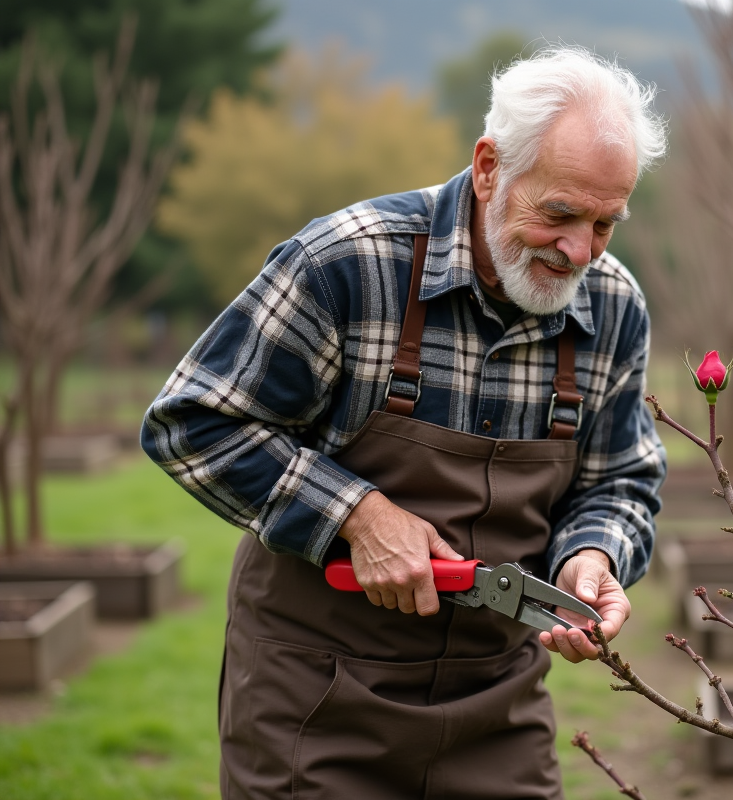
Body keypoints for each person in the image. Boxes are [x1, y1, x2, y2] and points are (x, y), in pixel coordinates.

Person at [141, 47, 667, 799]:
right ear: (489, 167)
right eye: (558, 214)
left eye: (605, 224)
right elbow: (193, 422)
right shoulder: (348, 265)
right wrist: (356, 515)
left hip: (498, 707)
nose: (579, 250)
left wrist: (592, 557)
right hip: (314, 703)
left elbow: (619, 477)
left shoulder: (612, 306)